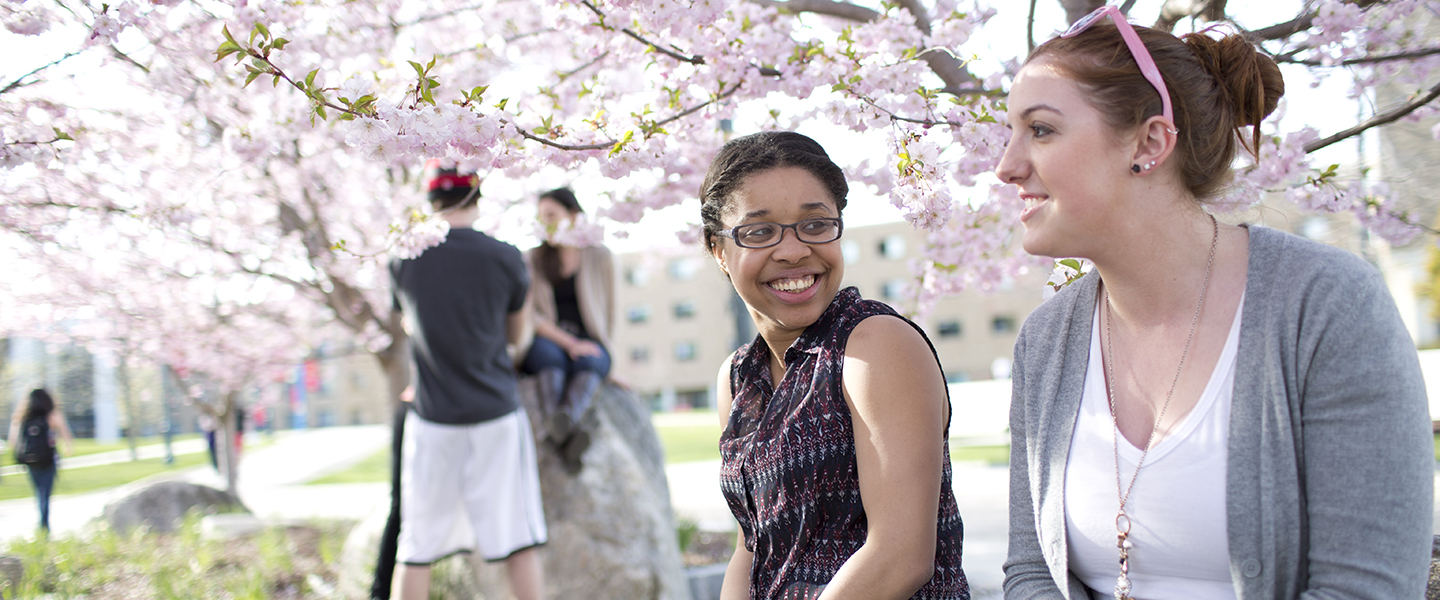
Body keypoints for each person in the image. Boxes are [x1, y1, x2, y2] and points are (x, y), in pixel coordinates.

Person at [996, 6, 1433, 599]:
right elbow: (1031, 572)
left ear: (1150, 142)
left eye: (1041, 130)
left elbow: (1366, 588)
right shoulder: (1046, 340)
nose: (1006, 166)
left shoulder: (1325, 305)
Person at [706, 131, 969, 599]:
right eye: (759, 231)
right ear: (720, 251)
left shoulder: (873, 344)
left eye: (814, 224)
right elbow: (754, 545)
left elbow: (901, 554)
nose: (792, 250)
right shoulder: (738, 376)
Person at [387, 164, 546, 600]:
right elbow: (518, 336)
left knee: (416, 548)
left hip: (432, 417)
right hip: (495, 412)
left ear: (430, 200)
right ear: (477, 196)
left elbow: (409, 326)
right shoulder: (504, 255)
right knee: (519, 539)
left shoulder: (403, 258)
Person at [520, 187, 616, 472]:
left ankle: (561, 427)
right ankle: (567, 431)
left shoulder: (599, 256)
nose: (545, 223)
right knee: (549, 357)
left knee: (593, 359)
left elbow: (611, 314)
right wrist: (569, 344)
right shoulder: (532, 260)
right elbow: (531, 315)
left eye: (551, 215)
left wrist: (611, 362)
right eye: (541, 218)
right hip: (547, 337)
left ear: (574, 215)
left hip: (590, 340)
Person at [8, 388, 74, 532]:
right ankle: (44, 526)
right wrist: (67, 447)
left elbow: (12, 441)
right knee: (45, 493)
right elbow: (66, 434)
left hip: (31, 461)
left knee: (39, 491)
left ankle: (42, 524)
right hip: (48, 460)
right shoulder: (52, 415)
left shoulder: (22, 417)